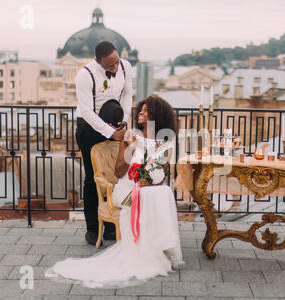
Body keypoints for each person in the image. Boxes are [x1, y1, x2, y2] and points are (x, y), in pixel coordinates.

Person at [45, 95, 184, 288]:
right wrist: (130, 150)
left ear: (157, 115)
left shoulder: (165, 141)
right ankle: (150, 251)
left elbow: (163, 170)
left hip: (151, 186)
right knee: (148, 195)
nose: (141, 113)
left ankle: (163, 249)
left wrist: (150, 179)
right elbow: (118, 172)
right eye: (140, 110)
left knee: (164, 193)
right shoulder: (129, 136)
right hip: (127, 188)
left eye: (145, 110)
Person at [75, 41, 133, 245]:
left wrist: (123, 121)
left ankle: (110, 225)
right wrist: (109, 132)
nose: (115, 68)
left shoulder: (126, 66)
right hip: (89, 129)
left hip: (115, 125)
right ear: (97, 61)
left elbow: (127, 94)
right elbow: (86, 111)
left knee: (115, 174)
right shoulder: (85, 75)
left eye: (116, 62)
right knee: (93, 177)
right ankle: (92, 228)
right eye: (109, 66)